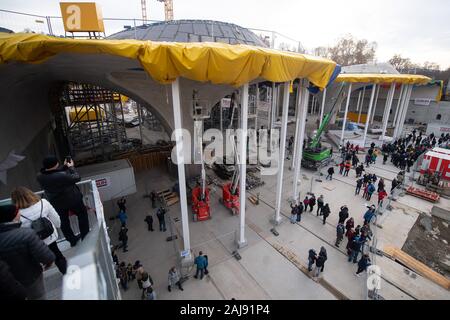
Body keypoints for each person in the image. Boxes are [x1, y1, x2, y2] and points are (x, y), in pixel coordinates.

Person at [0, 204, 55, 300]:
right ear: (13, 216)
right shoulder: (26, 234)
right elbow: (46, 256)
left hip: (7, 284)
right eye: (17, 212)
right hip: (31, 277)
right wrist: (48, 262)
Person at [11, 187, 67, 275]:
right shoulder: (43, 203)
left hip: (33, 242)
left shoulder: (17, 214)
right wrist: (58, 225)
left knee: (36, 261)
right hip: (49, 236)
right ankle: (66, 272)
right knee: (57, 255)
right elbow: (55, 218)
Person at [36, 155, 89, 247]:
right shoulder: (61, 176)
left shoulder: (40, 176)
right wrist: (71, 167)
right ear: (56, 164)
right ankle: (86, 236)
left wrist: (64, 167)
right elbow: (77, 177)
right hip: (73, 199)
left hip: (56, 202)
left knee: (64, 222)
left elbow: (54, 174)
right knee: (82, 215)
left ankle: (71, 240)